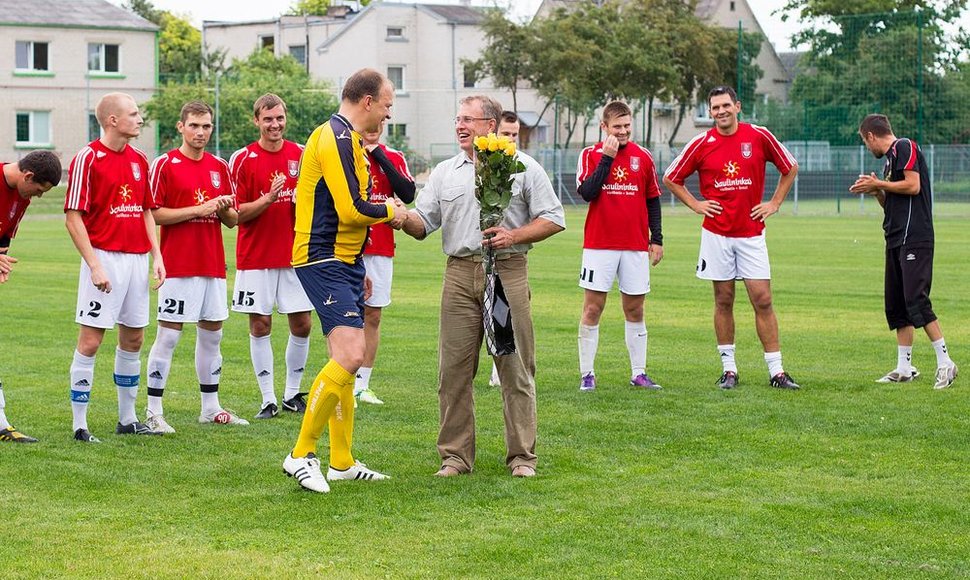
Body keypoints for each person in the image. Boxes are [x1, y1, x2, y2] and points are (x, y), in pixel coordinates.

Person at [399, 95, 565, 478]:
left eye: (468, 120)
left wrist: (515, 235)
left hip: (508, 272)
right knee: (453, 370)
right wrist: (401, 218)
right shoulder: (445, 172)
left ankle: (522, 457)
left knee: (515, 367)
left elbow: (554, 218)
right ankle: (455, 457)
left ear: (490, 125)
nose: (460, 126)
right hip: (459, 275)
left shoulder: (522, 167)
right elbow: (423, 224)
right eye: (457, 119)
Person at [282, 68, 404, 494]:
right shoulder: (333, 137)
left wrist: (360, 264)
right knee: (352, 355)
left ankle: (342, 461)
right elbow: (352, 209)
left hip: (343, 259)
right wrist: (394, 212)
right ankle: (300, 454)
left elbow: (348, 215)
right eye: (387, 106)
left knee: (344, 364)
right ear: (367, 101)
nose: (388, 115)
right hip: (321, 257)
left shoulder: (349, 139)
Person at [663, 85, 800, 390]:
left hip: (751, 233)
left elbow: (790, 168)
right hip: (717, 235)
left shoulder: (759, 136)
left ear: (738, 106)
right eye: (715, 108)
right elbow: (671, 178)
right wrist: (696, 204)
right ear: (710, 112)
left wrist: (775, 203)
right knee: (723, 299)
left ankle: (776, 372)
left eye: (726, 105)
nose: (721, 112)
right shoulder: (701, 143)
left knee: (762, 299)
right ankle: (729, 370)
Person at [64, 92, 166, 442]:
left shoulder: (140, 159)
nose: (139, 120)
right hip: (104, 257)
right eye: (134, 114)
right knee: (91, 341)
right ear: (112, 120)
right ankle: (80, 425)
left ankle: (127, 419)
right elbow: (73, 216)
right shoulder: (87, 158)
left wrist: (157, 256)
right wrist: (94, 265)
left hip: (137, 260)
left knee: (134, 338)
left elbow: (146, 211)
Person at [144, 100, 245, 433]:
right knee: (169, 337)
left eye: (206, 126)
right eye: (195, 126)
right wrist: (201, 207)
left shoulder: (219, 166)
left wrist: (225, 208)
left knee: (212, 337)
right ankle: (153, 411)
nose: (201, 132)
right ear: (181, 127)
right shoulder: (165, 164)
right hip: (178, 263)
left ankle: (210, 407)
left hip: (212, 263)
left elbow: (231, 220)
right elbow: (153, 213)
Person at [850, 114, 958, 389]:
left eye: (865, 141)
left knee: (916, 300)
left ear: (871, 136)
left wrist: (880, 184)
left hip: (915, 238)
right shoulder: (889, 161)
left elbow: (913, 185)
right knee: (897, 304)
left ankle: (945, 363)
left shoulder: (904, 147)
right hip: (896, 238)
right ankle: (904, 368)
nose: (867, 147)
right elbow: (894, 205)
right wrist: (877, 192)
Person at [229, 94, 313, 419]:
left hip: (295, 257)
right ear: (257, 121)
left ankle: (292, 394)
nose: (274, 124)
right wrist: (268, 199)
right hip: (256, 258)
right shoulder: (243, 158)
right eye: (268, 119)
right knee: (260, 324)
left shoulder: (301, 156)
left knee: (302, 324)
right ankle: (268, 399)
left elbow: (311, 203)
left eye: (279, 118)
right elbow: (235, 214)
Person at [576, 101, 663, 392]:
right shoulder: (590, 155)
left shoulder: (644, 157)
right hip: (599, 245)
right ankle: (587, 374)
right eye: (617, 127)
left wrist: (657, 238)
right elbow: (587, 193)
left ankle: (639, 373)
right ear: (604, 127)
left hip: (635, 246)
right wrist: (608, 158)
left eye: (627, 126)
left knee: (635, 309)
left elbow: (652, 199)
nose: (623, 131)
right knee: (592, 308)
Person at [0, 151, 61, 442]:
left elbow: (4, 236)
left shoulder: (20, 197)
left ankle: (0, 425)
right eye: (38, 190)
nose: (37, 197)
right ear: (27, 176)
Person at [353, 120, 416, 405]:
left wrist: (377, 154)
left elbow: (407, 193)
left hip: (380, 247)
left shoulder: (394, 158)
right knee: (345, 315)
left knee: (373, 315)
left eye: (380, 122)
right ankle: (344, 381)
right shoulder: (346, 153)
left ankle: (362, 386)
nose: (375, 126)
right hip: (348, 244)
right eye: (370, 121)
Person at [487, 110, 522, 389]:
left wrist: (515, 236)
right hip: (477, 257)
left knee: (504, 311)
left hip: (511, 259)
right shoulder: (485, 164)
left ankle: (501, 368)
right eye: (506, 134)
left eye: (514, 135)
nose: (511, 139)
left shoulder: (524, 168)